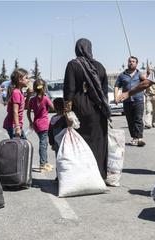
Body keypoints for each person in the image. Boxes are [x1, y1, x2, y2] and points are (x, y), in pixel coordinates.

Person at [63, 38, 110, 179]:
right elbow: (105, 90)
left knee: (81, 142)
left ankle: (83, 176)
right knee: (99, 141)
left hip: (80, 110)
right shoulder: (100, 66)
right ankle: (100, 174)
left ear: (77, 49)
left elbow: (69, 90)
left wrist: (67, 112)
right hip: (99, 109)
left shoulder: (73, 65)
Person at [114, 56, 146, 146]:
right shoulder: (122, 75)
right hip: (127, 101)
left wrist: (146, 77)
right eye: (130, 61)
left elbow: (147, 82)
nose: (131, 63)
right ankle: (134, 137)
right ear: (127, 63)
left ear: (136, 64)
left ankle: (139, 138)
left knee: (138, 119)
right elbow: (117, 86)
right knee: (130, 120)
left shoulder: (140, 74)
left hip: (138, 100)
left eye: (133, 61)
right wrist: (116, 97)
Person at [27, 79, 54, 172]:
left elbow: (28, 111)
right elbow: (53, 108)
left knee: (43, 143)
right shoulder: (46, 98)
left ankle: (45, 162)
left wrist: (30, 121)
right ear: (44, 88)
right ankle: (42, 164)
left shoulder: (32, 100)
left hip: (36, 124)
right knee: (43, 144)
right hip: (44, 125)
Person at [3, 68, 31, 139]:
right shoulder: (16, 93)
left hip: (15, 124)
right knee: (18, 147)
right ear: (19, 80)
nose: (28, 80)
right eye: (26, 78)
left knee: (21, 146)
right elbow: (15, 111)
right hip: (13, 125)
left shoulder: (20, 92)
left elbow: (25, 107)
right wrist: (17, 127)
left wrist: (28, 95)